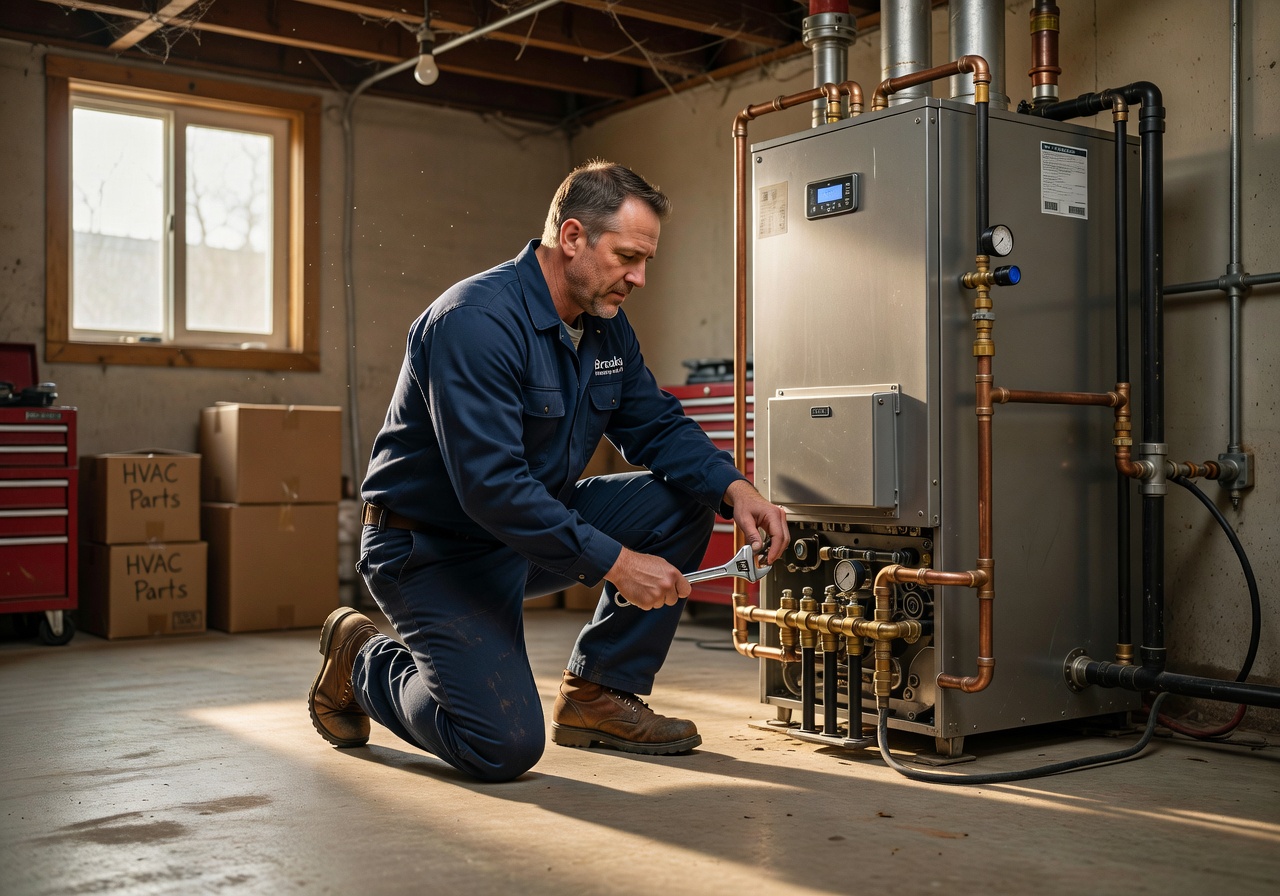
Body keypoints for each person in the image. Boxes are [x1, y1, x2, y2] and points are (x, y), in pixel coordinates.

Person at [308, 160, 788, 783]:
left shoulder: (606, 330)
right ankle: (362, 661)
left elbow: (657, 425)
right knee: (501, 747)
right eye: (626, 257)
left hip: (525, 535)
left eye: (646, 262)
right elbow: (493, 488)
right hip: (429, 550)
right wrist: (617, 563)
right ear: (571, 238)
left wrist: (737, 488)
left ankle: (599, 695)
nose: (639, 278)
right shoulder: (474, 322)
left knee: (690, 496)